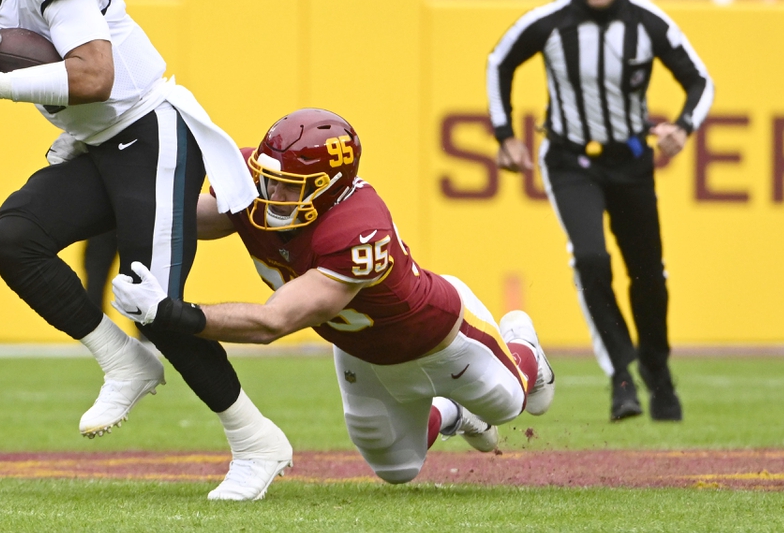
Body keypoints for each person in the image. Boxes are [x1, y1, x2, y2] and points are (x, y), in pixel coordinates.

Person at [0, 0, 291, 501]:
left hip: (150, 129)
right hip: (94, 140)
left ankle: (256, 440)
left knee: (151, 300)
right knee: (13, 239)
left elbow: (93, 77)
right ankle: (121, 359)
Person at [110, 108, 556, 485]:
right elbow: (205, 218)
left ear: (330, 189)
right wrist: (126, 207)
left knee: (511, 402)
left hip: (437, 335)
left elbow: (274, 323)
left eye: (291, 188)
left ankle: (524, 346)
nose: (273, 196)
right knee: (397, 469)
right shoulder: (259, 182)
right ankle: (453, 414)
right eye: (269, 181)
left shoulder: (358, 228)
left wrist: (173, 313)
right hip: (359, 347)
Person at [485, 0, 714, 423]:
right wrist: (504, 133)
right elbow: (499, 60)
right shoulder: (550, 22)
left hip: (631, 160)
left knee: (648, 276)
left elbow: (699, 78)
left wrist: (684, 125)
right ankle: (622, 374)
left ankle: (658, 368)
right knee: (590, 258)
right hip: (570, 158)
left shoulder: (647, 23)